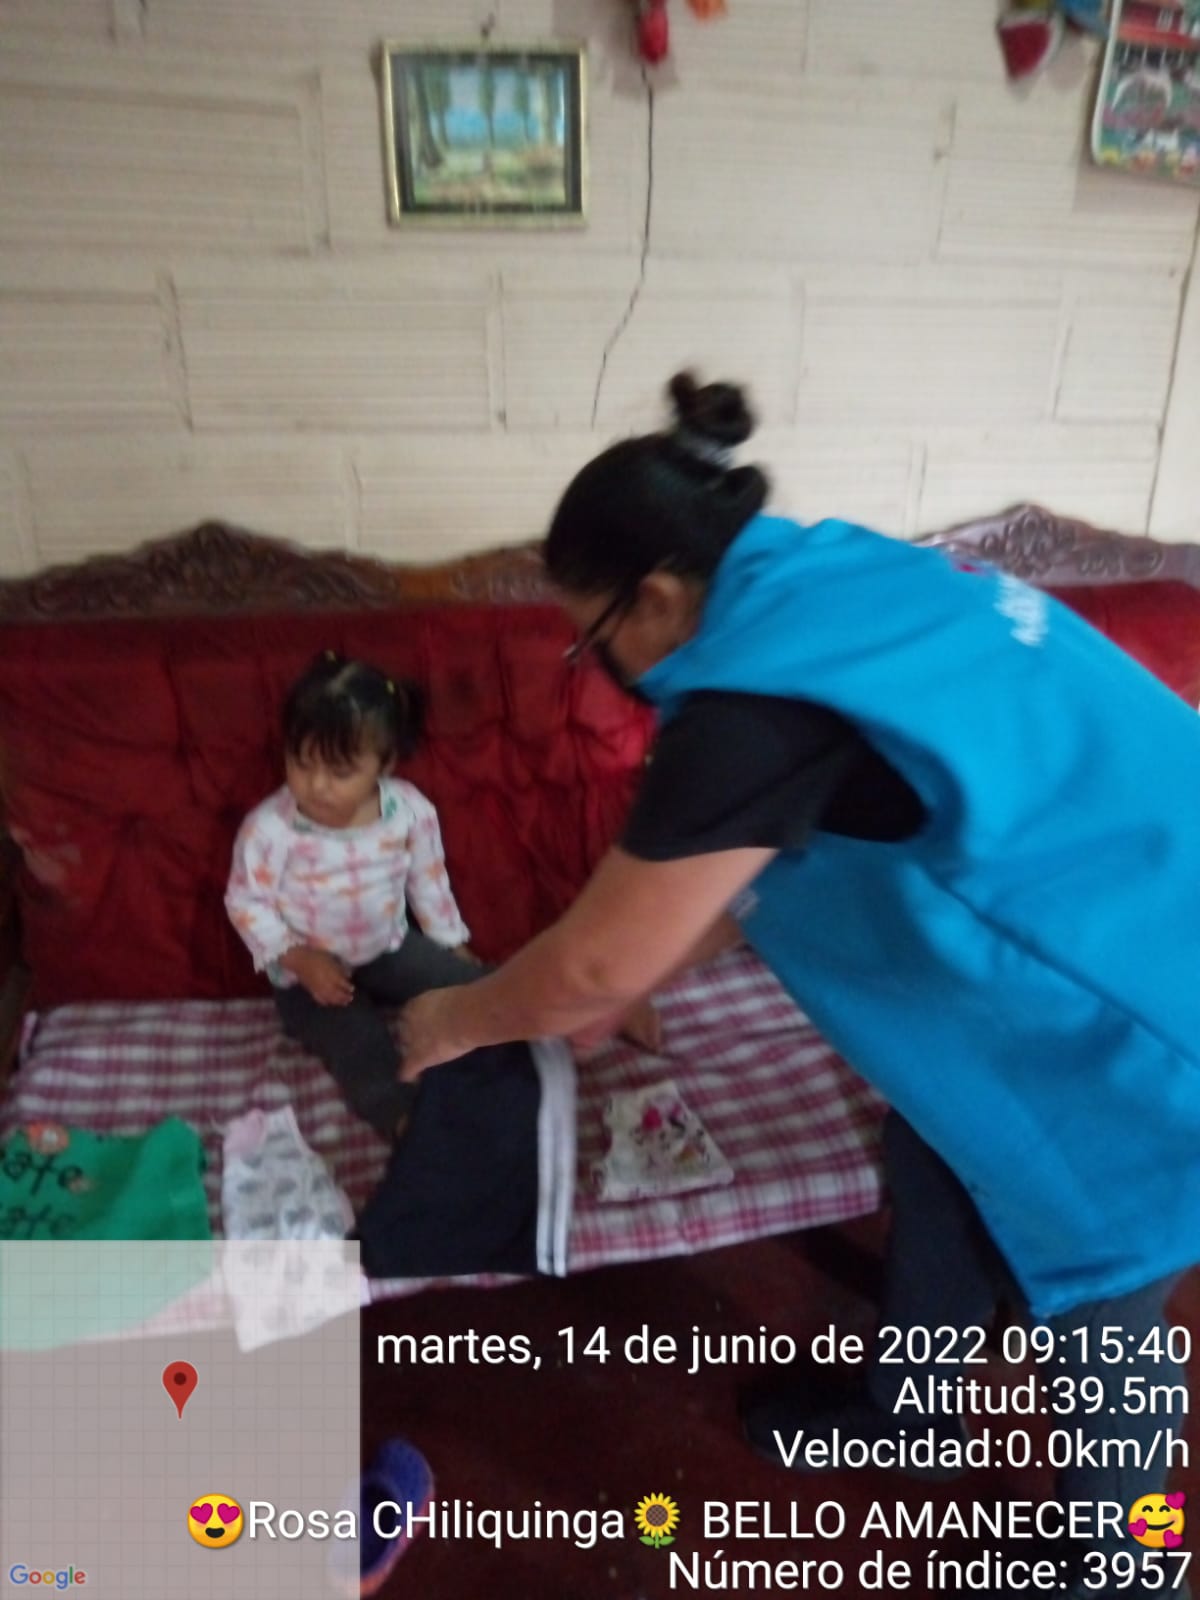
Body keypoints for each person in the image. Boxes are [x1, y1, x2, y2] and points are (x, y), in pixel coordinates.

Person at [397, 374, 1200, 1598]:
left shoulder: (751, 699)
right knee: (940, 1157)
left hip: (1143, 1024)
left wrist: (453, 1018)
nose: (599, 665)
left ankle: (1132, 1569)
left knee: (1110, 1324)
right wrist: (636, 965)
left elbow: (597, 959)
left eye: (590, 637)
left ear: (656, 597)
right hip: (1083, 960)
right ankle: (913, 1413)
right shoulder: (825, 576)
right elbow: (770, 859)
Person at [225, 651, 483, 1140]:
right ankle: (406, 1124)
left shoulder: (409, 811)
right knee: (358, 1045)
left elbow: (428, 880)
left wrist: (451, 942)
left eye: (340, 771)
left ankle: (553, 1028)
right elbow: (245, 901)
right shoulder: (271, 828)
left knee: (477, 987)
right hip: (307, 975)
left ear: (385, 764)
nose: (317, 786)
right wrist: (298, 958)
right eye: (301, 763)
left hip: (387, 949)